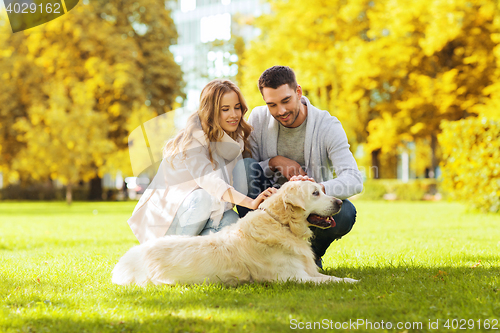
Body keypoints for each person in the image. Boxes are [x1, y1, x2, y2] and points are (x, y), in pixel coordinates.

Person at [239, 66, 363, 268]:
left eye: (286, 100)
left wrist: (314, 189)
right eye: (272, 105)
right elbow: (248, 169)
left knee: (346, 213)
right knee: (244, 167)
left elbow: (354, 180)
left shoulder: (328, 126)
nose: (281, 111)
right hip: (269, 205)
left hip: (307, 207)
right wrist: (274, 162)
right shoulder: (259, 118)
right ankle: (257, 254)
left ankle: (309, 257)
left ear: (298, 92)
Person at [128, 79, 276, 244]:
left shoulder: (236, 140)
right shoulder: (194, 138)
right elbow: (210, 182)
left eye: (237, 107)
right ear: (211, 112)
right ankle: (170, 256)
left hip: (209, 212)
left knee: (232, 224)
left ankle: (195, 259)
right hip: (170, 218)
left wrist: (274, 163)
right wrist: (251, 203)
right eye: (225, 109)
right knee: (202, 198)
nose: (234, 115)